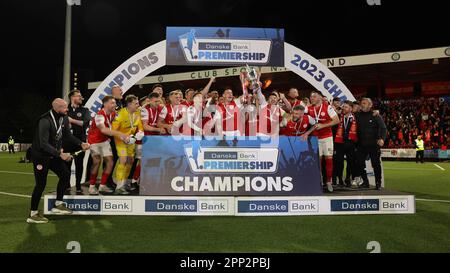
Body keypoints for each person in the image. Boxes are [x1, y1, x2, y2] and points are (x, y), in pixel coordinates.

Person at [27, 98, 90, 224]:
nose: (67, 109)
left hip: (53, 155)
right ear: (56, 108)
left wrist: (80, 143)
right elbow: (43, 143)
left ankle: (58, 204)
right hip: (40, 156)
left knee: (65, 175)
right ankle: (32, 214)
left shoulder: (64, 118)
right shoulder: (45, 120)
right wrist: (60, 154)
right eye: (64, 107)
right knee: (41, 184)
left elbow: (67, 135)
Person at [87, 96, 130, 195]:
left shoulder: (113, 114)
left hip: (105, 140)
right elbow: (103, 130)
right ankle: (92, 186)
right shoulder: (99, 116)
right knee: (96, 162)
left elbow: (122, 120)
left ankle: (102, 185)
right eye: (112, 103)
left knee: (110, 162)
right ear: (105, 104)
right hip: (94, 141)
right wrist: (120, 134)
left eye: (115, 103)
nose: (115, 105)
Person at [111, 95, 144, 195]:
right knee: (123, 159)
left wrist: (140, 133)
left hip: (131, 140)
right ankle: (118, 186)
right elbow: (113, 130)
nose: (138, 105)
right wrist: (123, 138)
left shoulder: (138, 113)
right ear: (129, 104)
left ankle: (124, 183)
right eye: (136, 103)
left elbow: (140, 127)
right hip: (120, 140)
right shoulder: (120, 114)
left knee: (130, 161)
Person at [308, 91, 340, 192]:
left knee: (329, 160)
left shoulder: (328, 107)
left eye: (314, 96)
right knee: (318, 162)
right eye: (311, 96)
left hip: (327, 137)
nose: (311, 98)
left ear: (320, 98)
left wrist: (323, 125)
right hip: (315, 138)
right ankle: (319, 181)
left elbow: (336, 120)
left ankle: (329, 182)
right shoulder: (308, 108)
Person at [353, 98, 387, 190]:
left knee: (376, 164)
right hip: (360, 144)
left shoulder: (375, 115)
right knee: (359, 163)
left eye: (364, 103)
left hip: (373, 144)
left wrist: (382, 139)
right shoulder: (357, 115)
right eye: (362, 103)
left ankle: (378, 182)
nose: (362, 104)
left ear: (370, 105)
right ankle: (365, 182)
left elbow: (383, 128)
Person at [66, 89, 91, 193]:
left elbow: (84, 123)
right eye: (78, 96)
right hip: (67, 142)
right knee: (66, 164)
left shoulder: (85, 110)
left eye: (81, 96)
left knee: (79, 165)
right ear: (72, 97)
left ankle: (78, 186)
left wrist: (71, 120)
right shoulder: (65, 109)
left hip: (80, 142)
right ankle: (66, 185)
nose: (81, 97)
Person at [334, 101, 358, 187]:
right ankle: (340, 179)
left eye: (346, 107)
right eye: (343, 107)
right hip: (339, 143)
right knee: (339, 162)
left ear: (351, 108)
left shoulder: (356, 117)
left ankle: (348, 179)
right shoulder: (337, 117)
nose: (344, 108)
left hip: (351, 144)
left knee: (350, 162)